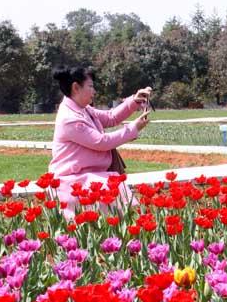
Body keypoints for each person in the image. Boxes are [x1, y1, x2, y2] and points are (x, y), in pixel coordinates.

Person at [49, 66, 152, 213]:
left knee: (119, 211)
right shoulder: (70, 118)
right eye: (90, 86)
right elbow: (101, 142)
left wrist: (134, 101)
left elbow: (111, 117)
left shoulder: (82, 109)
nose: (94, 91)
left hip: (91, 177)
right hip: (75, 181)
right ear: (76, 87)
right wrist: (133, 128)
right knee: (113, 212)